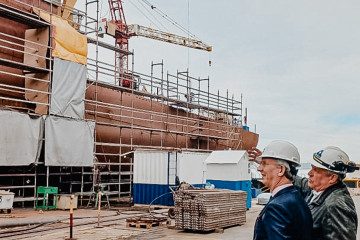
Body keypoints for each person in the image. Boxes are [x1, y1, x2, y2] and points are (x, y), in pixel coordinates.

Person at [250, 145, 359, 240]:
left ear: (332, 177)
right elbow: (297, 181)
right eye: (311, 168)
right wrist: (271, 164)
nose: (309, 173)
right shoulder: (318, 191)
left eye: (316, 170)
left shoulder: (337, 206)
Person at [253, 140, 313, 240]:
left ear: (281, 170)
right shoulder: (297, 197)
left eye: (264, 164)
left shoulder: (277, 207)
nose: (259, 168)